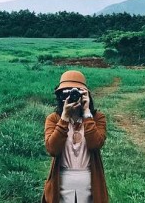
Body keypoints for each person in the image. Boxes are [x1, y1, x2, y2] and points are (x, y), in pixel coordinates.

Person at [43, 70, 108, 203]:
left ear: (86, 94)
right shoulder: (53, 119)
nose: (72, 97)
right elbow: (52, 149)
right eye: (66, 93)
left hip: (90, 181)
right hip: (62, 181)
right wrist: (64, 118)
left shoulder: (97, 118)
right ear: (60, 96)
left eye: (77, 93)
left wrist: (86, 113)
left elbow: (96, 144)